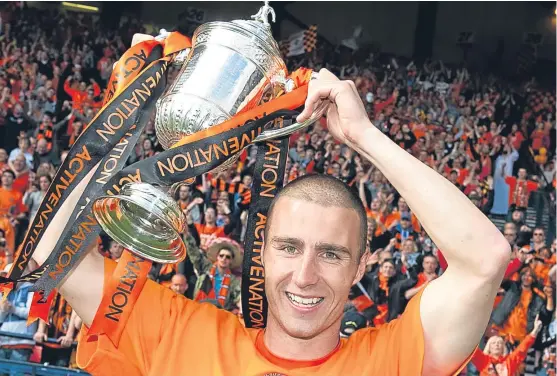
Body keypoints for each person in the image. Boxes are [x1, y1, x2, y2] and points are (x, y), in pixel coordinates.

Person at [31, 34, 511, 376]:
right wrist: (129, 104)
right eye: (288, 246)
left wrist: (365, 137)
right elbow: (54, 253)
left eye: (331, 253)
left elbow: (484, 259)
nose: (305, 275)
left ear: (361, 263)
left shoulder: (390, 360)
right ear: (260, 249)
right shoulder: (177, 333)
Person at [472, 317, 543, 376]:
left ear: (503, 347)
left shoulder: (509, 361)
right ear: (489, 347)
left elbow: (522, 349)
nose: (497, 345)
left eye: (499, 343)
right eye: (493, 343)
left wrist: (535, 331)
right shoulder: (483, 360)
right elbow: (471, 349)